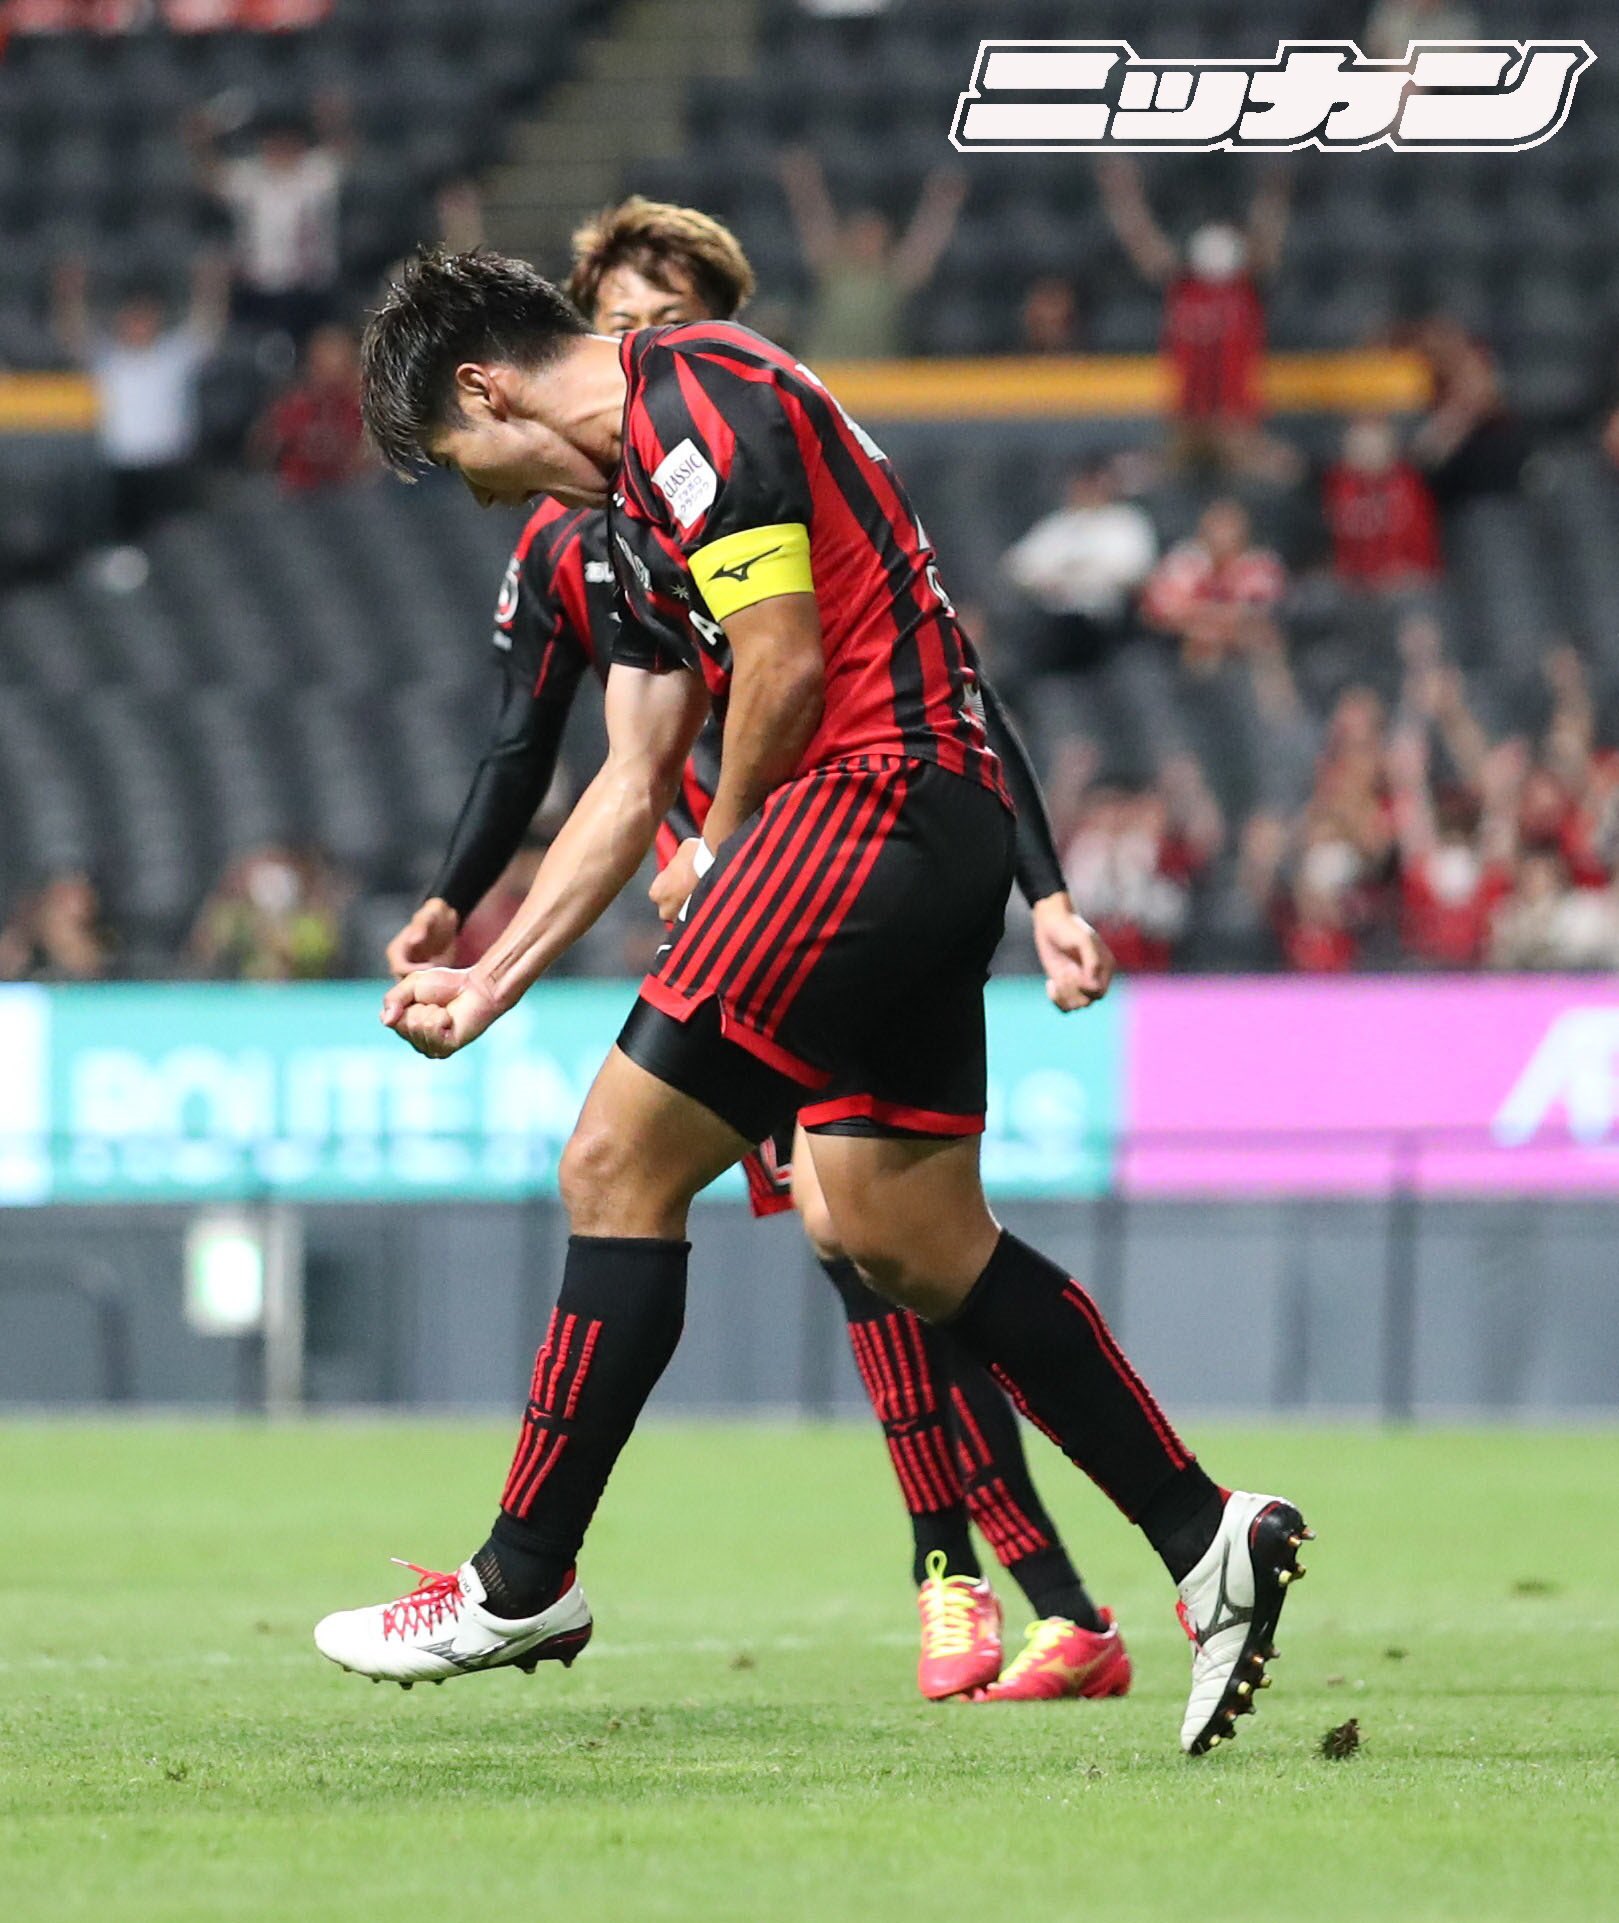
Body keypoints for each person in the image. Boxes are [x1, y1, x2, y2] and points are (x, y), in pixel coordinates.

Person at [321, 247, 1310, 1758]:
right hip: (929, 822)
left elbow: (780, 668)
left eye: (462, 461)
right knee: (905, 1235)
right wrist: (490, 976)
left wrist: (725, 851)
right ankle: (1202, 1533)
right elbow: (627, 779)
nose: (480, 496)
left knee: (615, 1163)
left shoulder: (692, 392)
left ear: (486, 386)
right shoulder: (646, 486)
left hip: (872, 800)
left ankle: (520, 1579)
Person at [1098, 157, 1299, 482]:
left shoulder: (1247, 287)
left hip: (1236, 418)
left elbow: (1267, 238)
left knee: (1280, 469)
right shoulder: (1183, 285)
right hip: (1187, 418)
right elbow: (1142, 241)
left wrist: (1275, 194)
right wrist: (1122, 195)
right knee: (1138, 472)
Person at [50, 253, 228, 547]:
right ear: (120, 321)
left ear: (157, 321)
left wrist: (211, 288)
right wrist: (69, 294)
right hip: (119, 467)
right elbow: (72, 336)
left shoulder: (173, 356)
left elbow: (206, 331)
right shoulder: (108, 358)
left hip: (167, 466)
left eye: (145, 318)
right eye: (133, 318)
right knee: (123, 542)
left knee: (170, 541)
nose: (139, 325)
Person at [777, 146, 966, 361]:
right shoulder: (835, 271)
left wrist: (943, 204)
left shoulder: (891, 279)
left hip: (877, 374)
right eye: (861, 234)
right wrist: (803, 183)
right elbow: (814, 221)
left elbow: (924, 245)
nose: (867, 242)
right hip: (826, 367)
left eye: (875, 236)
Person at [187, 97, 349, 347]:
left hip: (310, 291)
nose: (280, 150)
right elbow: (213, 178)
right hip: (259, 291)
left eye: (287, 142)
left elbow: (343, 154)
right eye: (274, 143)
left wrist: (333, 120)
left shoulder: (316, 174)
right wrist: (202, 141)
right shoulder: (252, 177)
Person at [1000, 459, 1158, 677]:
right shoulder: (1058, 525)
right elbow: (1016, 567)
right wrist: (1053, 579)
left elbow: (1135, 571)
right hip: (1051, 614)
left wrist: (1081, 576)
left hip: (1102, 620)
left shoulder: (1125, 522)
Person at [253, 323, 367, 494]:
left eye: (336, 355)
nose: (328, 363)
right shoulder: (295, 402)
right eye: (322, 355)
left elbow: (369, 464)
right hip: (294, 493)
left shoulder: (362, 405)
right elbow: (262, 451)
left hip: (348, 494)